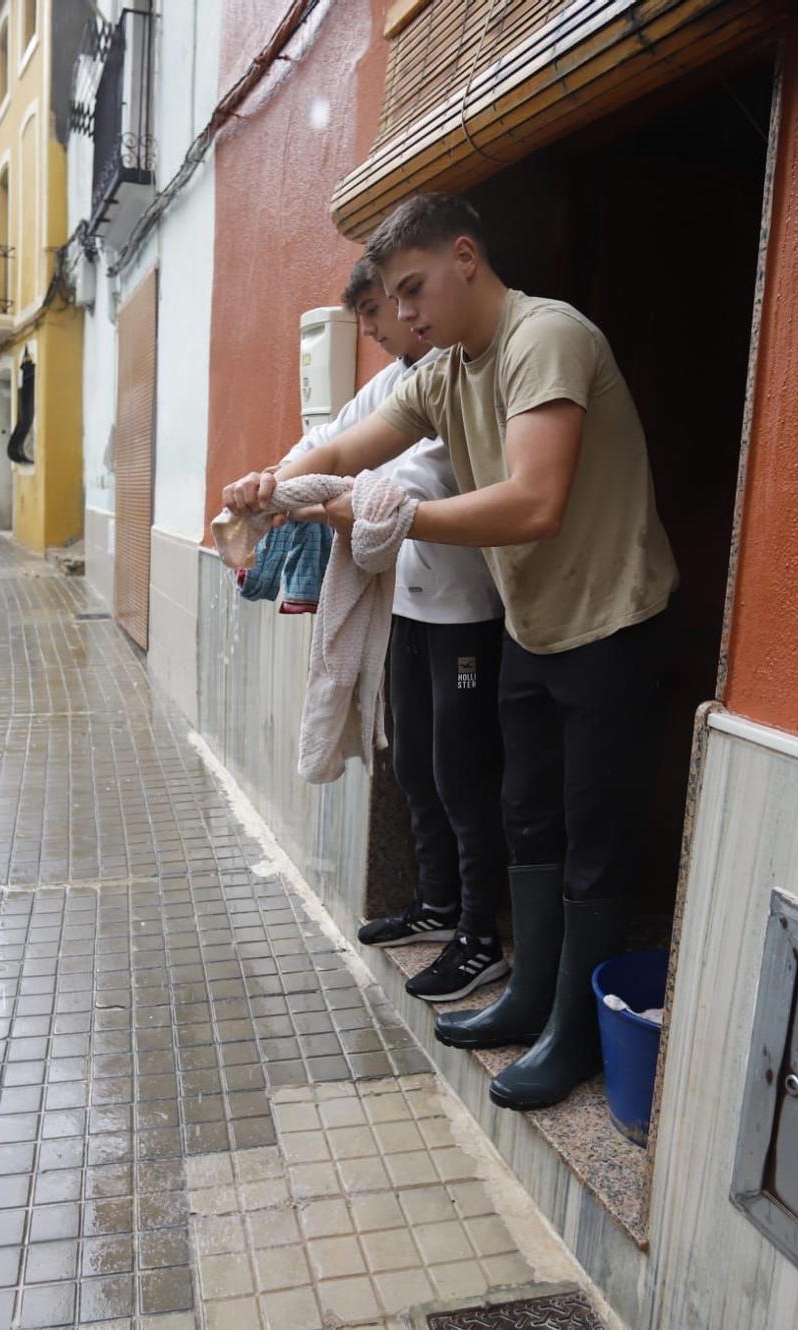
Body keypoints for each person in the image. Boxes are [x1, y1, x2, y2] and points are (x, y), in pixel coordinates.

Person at [222, 194, 677, 1111]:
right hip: (533, 626)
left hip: (612, 626)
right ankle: (531, 1000)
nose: (404, 315)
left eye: (414, 288)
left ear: (466, 256)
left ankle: (574, 1036)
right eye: (393, 298)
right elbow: (349, 448)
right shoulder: (442, 374)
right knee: (526, 818)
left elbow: (534, 500)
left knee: (592, 843)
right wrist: (271, 489)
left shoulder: (543, 339)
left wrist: (395, 515)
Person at [282, 259, 511, 1004]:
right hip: (408, 604)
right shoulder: (396, 384)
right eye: (381, 314)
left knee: (462, 773)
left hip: (466, 609)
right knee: (412, 758)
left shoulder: (462, 379)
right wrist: (275, 484)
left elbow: (412, 486)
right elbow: (338, 437)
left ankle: (481, 936)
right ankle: (438, 904)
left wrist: (333, 497)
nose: (383, 329)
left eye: (388, 309)